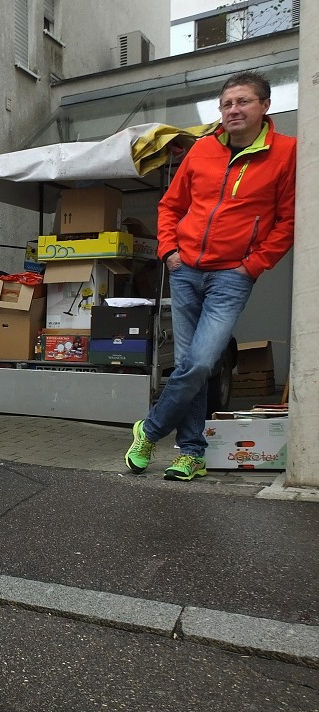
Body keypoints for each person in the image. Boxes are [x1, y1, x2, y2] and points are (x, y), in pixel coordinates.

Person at [125, 70, 296, 481]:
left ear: (264, 106)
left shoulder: (287, 153)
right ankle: (192, 453)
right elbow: (170, 206)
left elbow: (288, 221)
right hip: (186, 271)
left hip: (231, 277)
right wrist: (168, 251)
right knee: (189, 363)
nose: (234, 110)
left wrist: (252, 265)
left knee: (200, 362)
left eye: (243, 101)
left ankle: (148, 430)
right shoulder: (201, 150)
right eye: (227, 103)